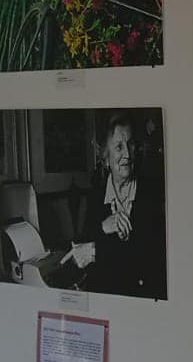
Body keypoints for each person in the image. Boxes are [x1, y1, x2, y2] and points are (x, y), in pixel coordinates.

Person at [66, 113, 166, 299]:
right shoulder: (95, 196)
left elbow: (148, 256)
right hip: (104, 298)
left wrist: (96, 251)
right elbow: (80, 247)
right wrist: (104, 227)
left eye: (131, 144)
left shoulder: (151, 194)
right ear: (106, 157)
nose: (127, 154)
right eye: (119, 147)